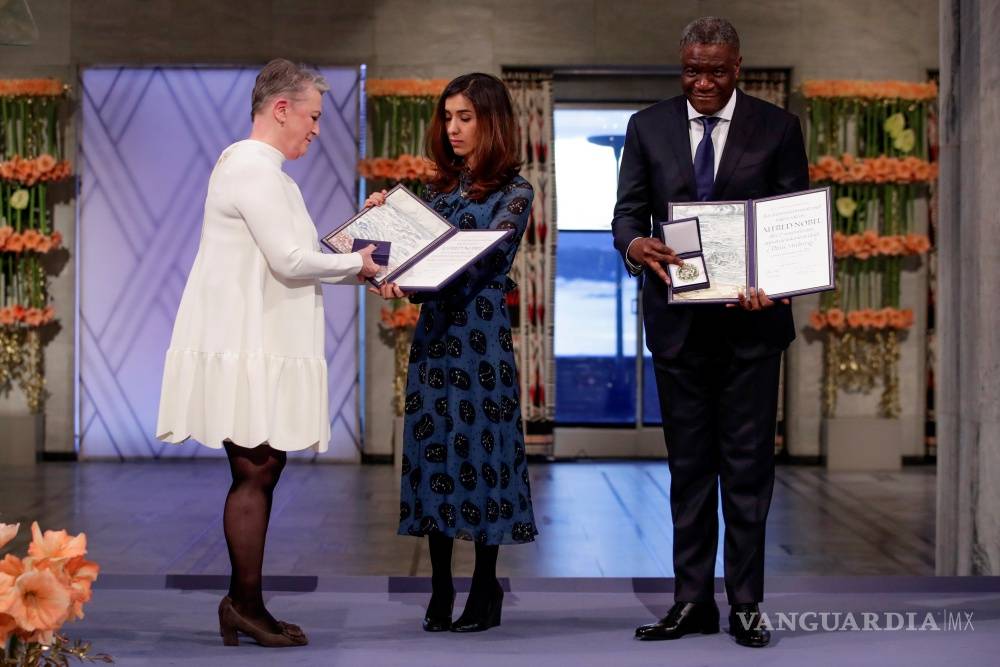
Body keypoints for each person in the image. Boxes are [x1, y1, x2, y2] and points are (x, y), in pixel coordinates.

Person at [156, 58, 379, 648]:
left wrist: (366, 236)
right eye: (311, 116)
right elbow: (290, 261)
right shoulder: (253, 168)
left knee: (262, 466)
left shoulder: (267, 172)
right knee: (255, 468)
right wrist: (358, 262)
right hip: (244, 339)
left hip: (253, 335)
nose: (315, 129)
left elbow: (301, 250)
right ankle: (245, 605)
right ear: (281, 109)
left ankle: (245, 602)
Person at [612, 18, 809, 648]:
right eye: (692, 69)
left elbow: (791, 219)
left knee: (749, 471)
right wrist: (632, 243)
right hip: (677, 328)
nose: (702, 82)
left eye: (715, 71)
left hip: (752, 329)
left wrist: (774, 280)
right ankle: (691, 601)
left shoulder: (778, 127)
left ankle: (746, 604)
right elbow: (626, 214)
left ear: (738, 67)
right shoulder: (647, 126)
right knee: (689, 470)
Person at [368, 72, 538, 633]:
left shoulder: (515, 191)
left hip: (482, 342)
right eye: (448, 117)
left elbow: (478, 262)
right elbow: (410, 260)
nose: (455, 128)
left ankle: (486, 589)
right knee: (435, 454)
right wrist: (382, 233)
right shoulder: (433, 193)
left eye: (466, 117)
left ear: (491, 122)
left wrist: (415, 268)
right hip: (436, 338)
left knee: (483, 455)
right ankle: (440, 588)